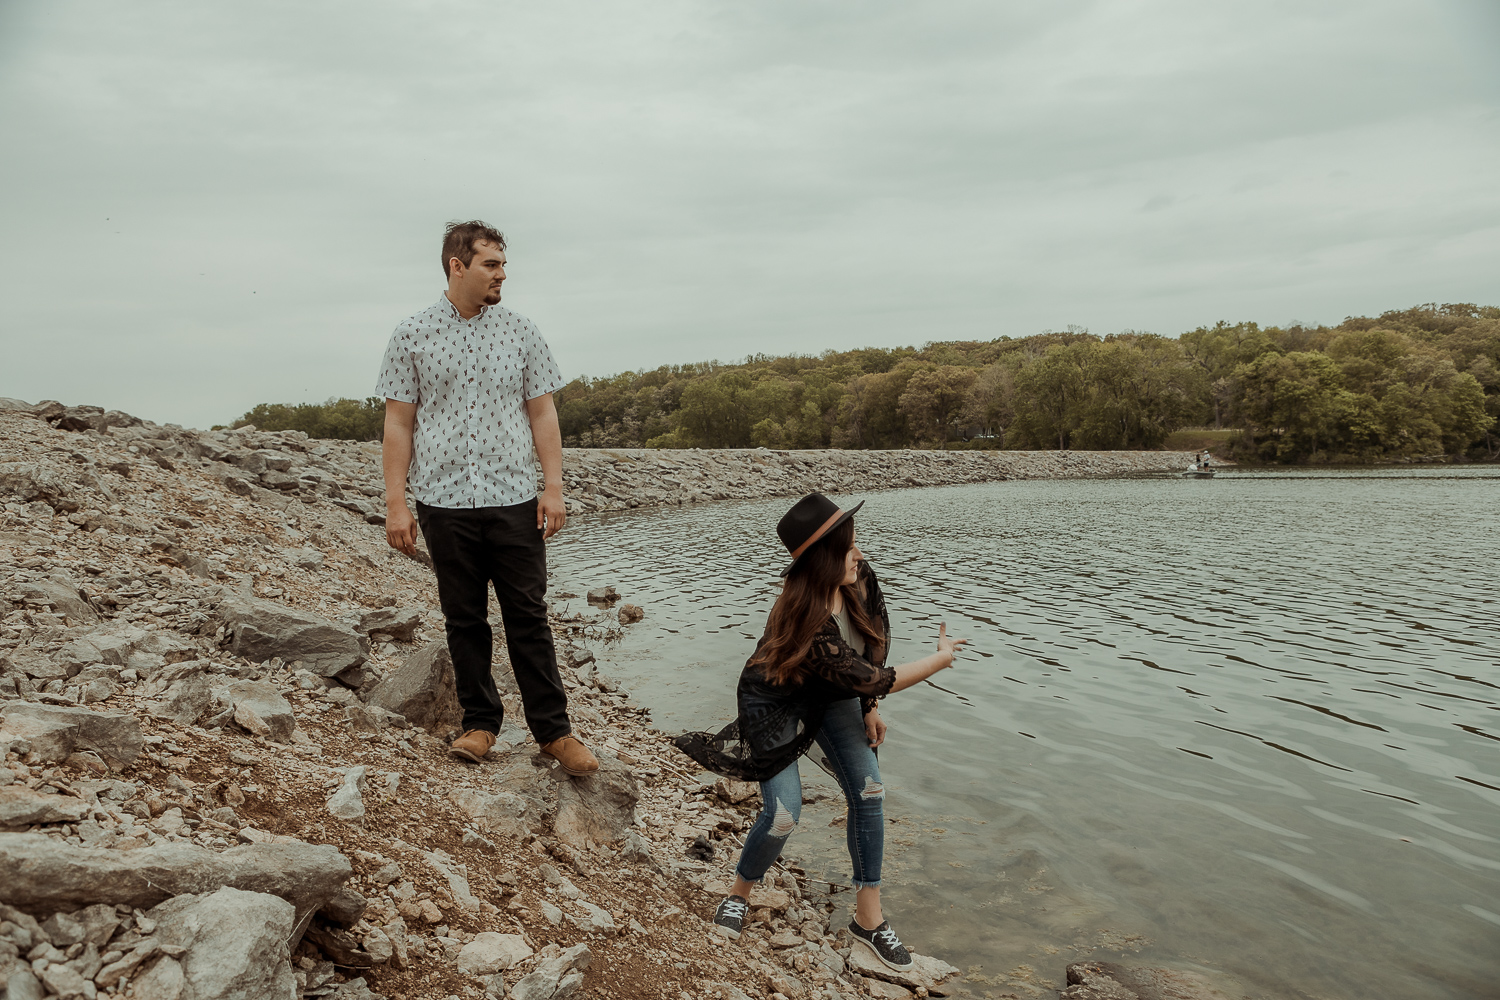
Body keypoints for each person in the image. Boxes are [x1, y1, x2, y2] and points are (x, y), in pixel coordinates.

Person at [675, 493, 968, 972]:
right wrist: (940, 659)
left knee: (869, 791)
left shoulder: (859, 577)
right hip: (776, 704)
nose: (859, 553)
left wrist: (869, 708)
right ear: (823, 559)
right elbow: (877, 677)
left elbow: (873, 644)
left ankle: (868, 920)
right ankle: (739, 893)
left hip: (834, 694)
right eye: (848, 547)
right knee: (783, 814)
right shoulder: (805, 618)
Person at [375, 220, 598, 776]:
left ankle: (554, 732)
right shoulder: (411, 334)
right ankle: (479, 725)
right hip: (443, 501)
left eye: (503, 265)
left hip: (514, 497)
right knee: (464, 618)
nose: (501, 275)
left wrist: (553, 487)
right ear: (458, 266)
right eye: (491, 265)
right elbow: (398, 423)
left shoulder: (522, 331)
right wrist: (396, 503)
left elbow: (542, 412)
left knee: (528, 616)